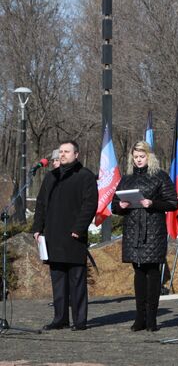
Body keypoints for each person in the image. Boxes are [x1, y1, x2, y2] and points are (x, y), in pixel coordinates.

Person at [32, 141, 98, 331]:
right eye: (60, 151)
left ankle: (79, 321)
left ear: (76, 154)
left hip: (74, 235)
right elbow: (41, 204)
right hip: (53, 235)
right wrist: (37, 227)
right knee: (58, 279)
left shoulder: (84, 176)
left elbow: (89, 204)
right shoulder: (52, 176)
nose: (62, 154)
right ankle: (60, 318)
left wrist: (79, 228)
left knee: (76, 279)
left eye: (66, 151)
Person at [112, 141, 177, 332]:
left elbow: (172, 203)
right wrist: (120, 207)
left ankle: (152, 318)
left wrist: (152, 203)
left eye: (142, 157)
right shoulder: (126, 179)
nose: (138, 160)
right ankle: (139, 317)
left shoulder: (160, 176)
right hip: (133, 230)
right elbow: (114, 205)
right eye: (136, 157)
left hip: (153, 230)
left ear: (149, 157)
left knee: (152, 271)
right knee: (138, 271)